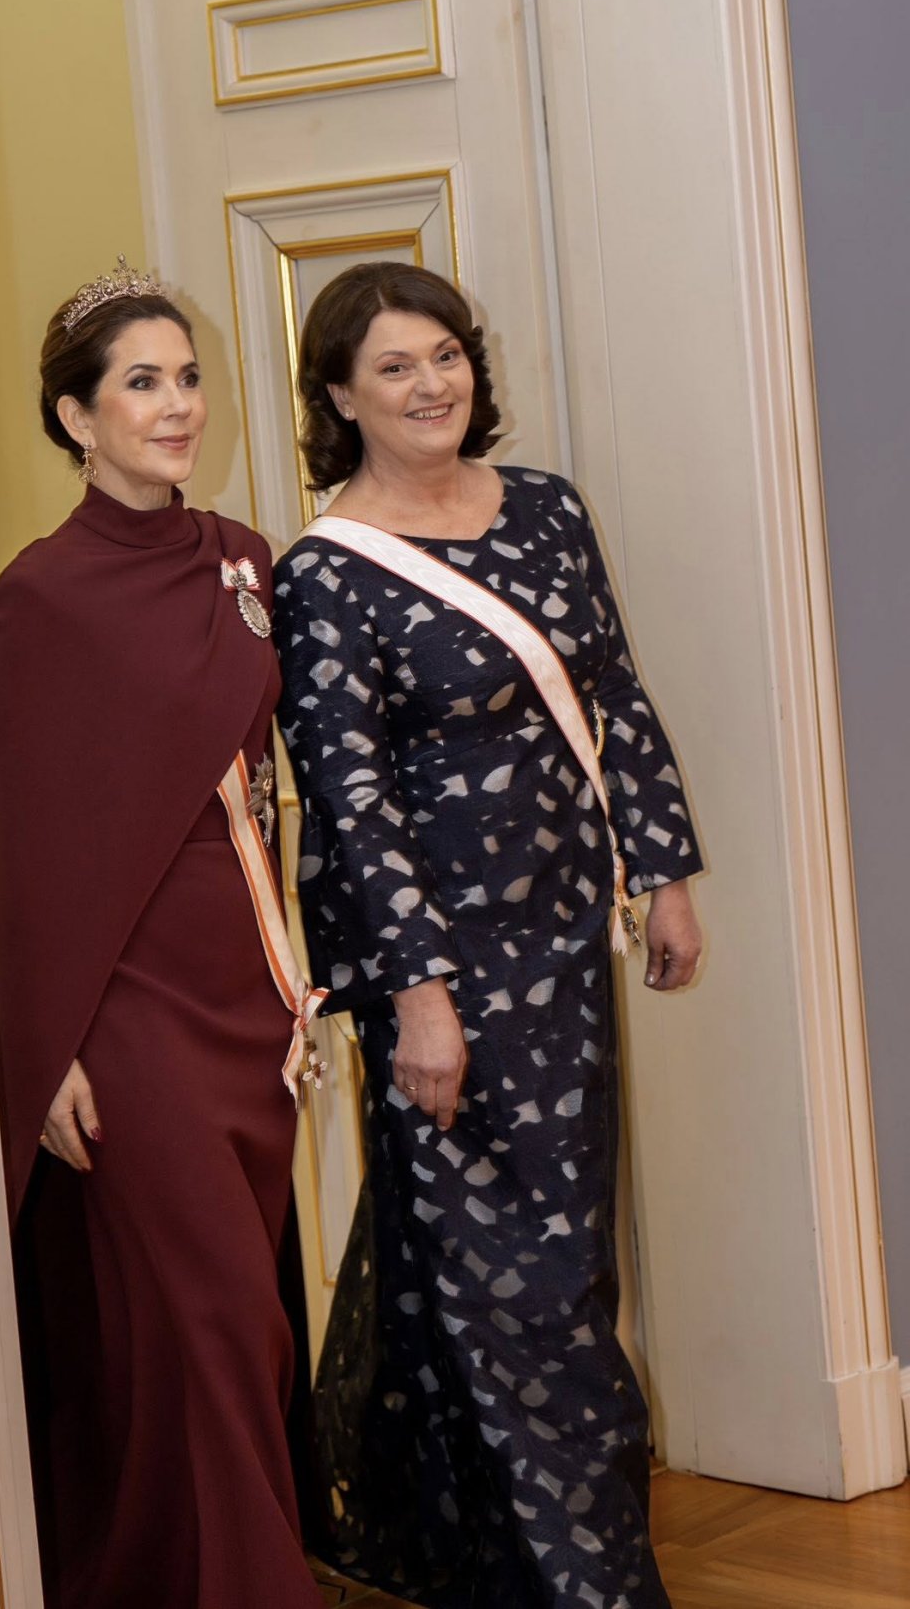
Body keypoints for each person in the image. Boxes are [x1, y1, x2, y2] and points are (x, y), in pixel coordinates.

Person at [273, 261, 702, 1608]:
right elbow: (349, 799)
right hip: (446, 974)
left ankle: (470, 1558)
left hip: (568, 946)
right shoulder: (325, 575)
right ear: (341, 395)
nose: (430, 383)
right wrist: (417, 995)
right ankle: (592, 1586)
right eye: (394, 366)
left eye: (446, 354)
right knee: (508, 1288)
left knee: (562, 1266)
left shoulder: (549, 512)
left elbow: (614, 695)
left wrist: (665, 868)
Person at [0, 262, 323, 1609]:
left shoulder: (244, 556)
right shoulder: (41, 591)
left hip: (246, 984)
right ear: (75, 416)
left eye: (186, 377)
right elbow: (39, 837)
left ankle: (154, 1576)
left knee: (235, 1331)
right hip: (125, 1003)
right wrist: (46, 1044)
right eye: (142, 382)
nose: (177, 404)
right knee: (216, 1316)